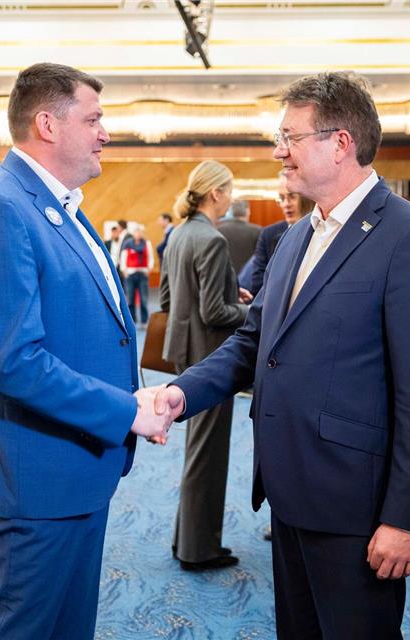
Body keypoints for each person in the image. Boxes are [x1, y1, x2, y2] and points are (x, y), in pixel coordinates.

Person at [154, 71, 410, 639]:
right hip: (288, 490)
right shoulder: (295, 235)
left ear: (340, 142)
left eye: (289, 137)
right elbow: (253, 341)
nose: (278, 152)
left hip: (356, 506)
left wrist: (405, 518)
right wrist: (181, 393)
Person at [0, 62, 168, 640]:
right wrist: (126, 411)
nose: (105, 133)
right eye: (92, 119)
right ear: (47, 124)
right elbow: (13, 361)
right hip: (32, 475)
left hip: (72, 466)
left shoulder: (54, 204)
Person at [160, 160, 250, 572]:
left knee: (197, 452)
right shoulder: (211, 239)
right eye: (229, 190)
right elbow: (215, 312)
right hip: (211, 357)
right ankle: (199, 549)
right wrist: (254, 312)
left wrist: (233, 293)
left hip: (184, 354)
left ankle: (188, 540)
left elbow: (168, 301)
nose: (231, 198)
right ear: (216, 194)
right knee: (207, 456)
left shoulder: (179, 234)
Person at [249, 172, 314, 294]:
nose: (286, 204)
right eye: (282, 198)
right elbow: (258, 284)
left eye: (292, 197)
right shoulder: (268, 235)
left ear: (305, 198)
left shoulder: (320, 231)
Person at [119, 223, 154, 326]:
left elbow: (150, 257)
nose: (138, 234)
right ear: (133, 233)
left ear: (142, 233)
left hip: (143, 274)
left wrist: (149, 269)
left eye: (140, 232)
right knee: (130, 298)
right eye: (136, 232)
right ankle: (132, 320)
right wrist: (124, 270)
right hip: (130, 274)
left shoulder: (147, 243)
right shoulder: (127, 244)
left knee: (144, 299)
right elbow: (123, 258)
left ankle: (144, 321)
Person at [217, 199, 262, 275]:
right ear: (248, 211)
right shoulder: (258, 231)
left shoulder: (217, 230)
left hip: (224, 278)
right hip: (248, 281)